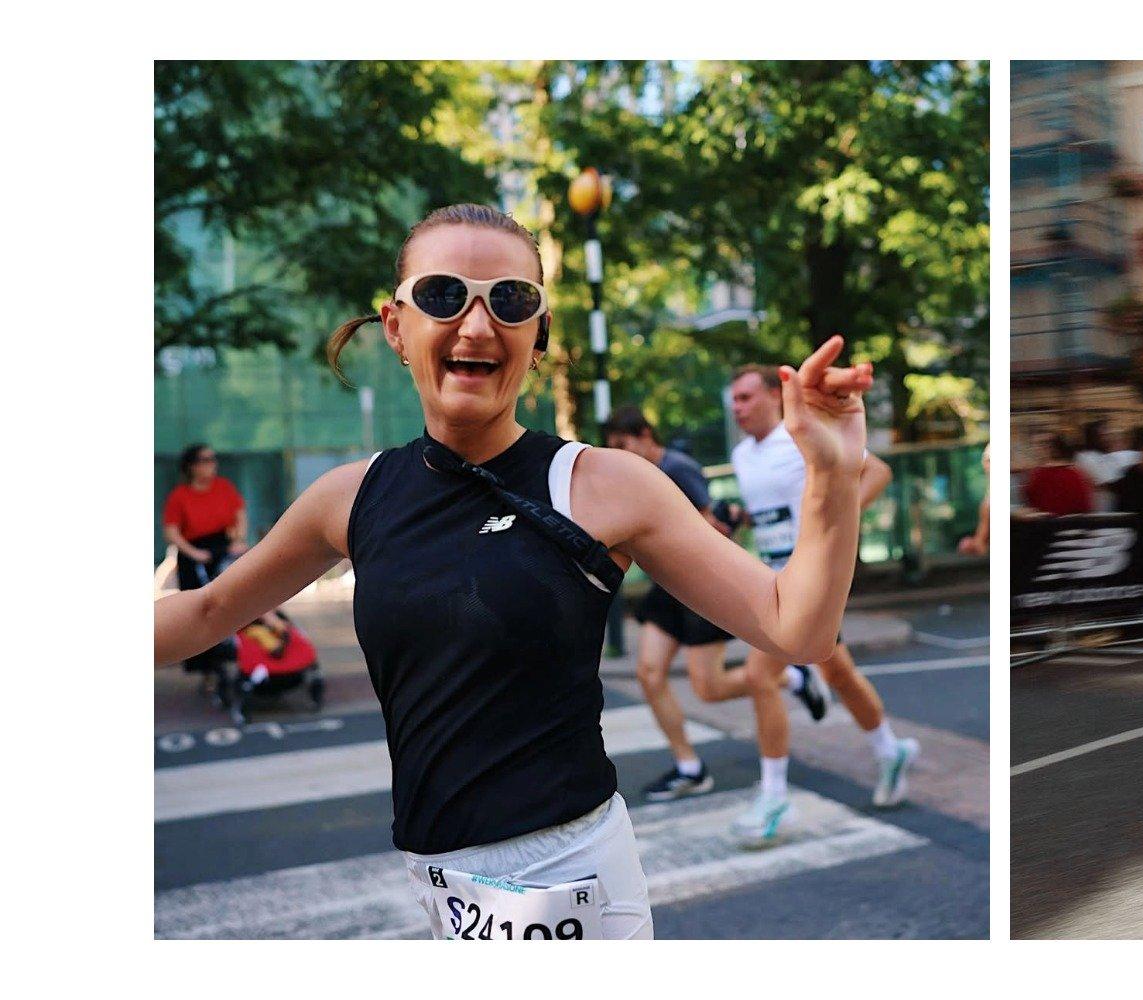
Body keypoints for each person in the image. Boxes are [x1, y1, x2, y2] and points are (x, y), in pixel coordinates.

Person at [154, 204, 873, 940]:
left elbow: (798, 626)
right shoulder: (350, 496)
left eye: (510, 300)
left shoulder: (603, 485)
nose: (475, 325)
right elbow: (209, 613)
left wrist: (832, 473)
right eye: (442, 295)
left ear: (537, 338)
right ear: (396, 327)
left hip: (570, 880)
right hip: (440, 885)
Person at [725, 364, 915, 846]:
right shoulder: (742, 455)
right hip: (772, 577)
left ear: (775, 395)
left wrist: (830, 525)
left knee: (759, 675)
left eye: (746, 397)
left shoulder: (801, 436)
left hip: (810, 579)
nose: (737, 407)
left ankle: (773, 797)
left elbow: (877, 471)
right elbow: (777, 512)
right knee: (838, 674)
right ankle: (889, 749)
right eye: (734, 399)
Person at [601, 406, 727, 802]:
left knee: (710, 686)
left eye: (623, 445)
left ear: (645, 434)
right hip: (666, 589)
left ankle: (791, 677)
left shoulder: (679, 467)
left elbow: (711, 526)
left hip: (701, 585)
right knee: (649, 674)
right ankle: (690, 767)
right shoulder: (637, 477)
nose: (620, 453)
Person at [162, 443, 251, 687]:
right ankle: (206, 666)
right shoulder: (180, 495)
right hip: (195, 553)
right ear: (192, 466)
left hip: (222, 547)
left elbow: (239, 513)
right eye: (205, 460)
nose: (211, 464)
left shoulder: (223, 487)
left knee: (235, 598)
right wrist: (194, 553)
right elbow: (172, 532)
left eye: (213, 459)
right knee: (198, 608)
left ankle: (240, 652)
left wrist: (238, 539)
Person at [1074, 421, 1141, 512]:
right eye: (1102, 435)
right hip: (1098, 508)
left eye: (1108, 434)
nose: (1107, 438)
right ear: (1093, 437)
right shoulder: (1087, 456)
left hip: (1112, 506)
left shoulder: (1106, 456)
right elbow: (1105, 484)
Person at [1022, 433, 1094, 516]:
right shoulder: (1075, 472)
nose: (1034, 448)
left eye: (1040, 445)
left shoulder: (1038, 474)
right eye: (1034, 445)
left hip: (1046, 523)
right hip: (1072, 522)